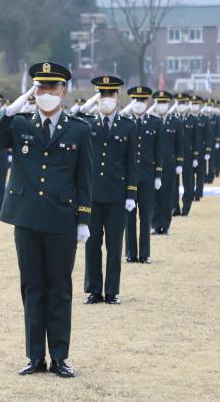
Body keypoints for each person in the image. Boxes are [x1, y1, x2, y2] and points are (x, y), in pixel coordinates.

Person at [0, 61, 92, 378]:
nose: (46, 92)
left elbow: (85, 179)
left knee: (59, 288)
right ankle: (35, 356)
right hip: (28, 219)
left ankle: (59, 356)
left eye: (52, 87)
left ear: (63, 90)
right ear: (34, 91)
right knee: (32, 287)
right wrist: (14, 105)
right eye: (40, 87)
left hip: (62, 219)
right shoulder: (19, 124)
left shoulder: (79, 129)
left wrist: (83, 219)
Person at [83, 76, 136, 306]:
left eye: (110, 94)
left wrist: (131, 194)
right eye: (102, 94)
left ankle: (112, 290)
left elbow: (131, 163)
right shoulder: (88, 123)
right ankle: (94, 290)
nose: (106, 98)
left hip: (116, 196)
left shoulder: (128, 126)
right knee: (92, 244)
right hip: (93, 195)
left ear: (117, 97)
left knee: (114, 245)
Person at [123, 86, 162, 264]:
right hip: (128, 178)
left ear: (147, 102)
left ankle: (145, 253)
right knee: (129, 217)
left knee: (145, 216)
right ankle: (131, 252)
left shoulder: (155, 122)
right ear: (132, 101)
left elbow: (158, 151)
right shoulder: (125, 122)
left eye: (142, 100)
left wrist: (158, 175)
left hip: (147, 176)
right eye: (136, 100)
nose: (139, 103)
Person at [151, 91, 183, 235]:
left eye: (164, 102)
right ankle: (154, 225)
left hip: (169, 165)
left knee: (167, 197)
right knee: (153, 197)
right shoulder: (151, 122)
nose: (162, 105)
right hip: (152, 166)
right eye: (159, 102)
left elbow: (179, 145)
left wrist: (179, 163)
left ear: (169, 104)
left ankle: (165, 225)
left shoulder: (175, 122)